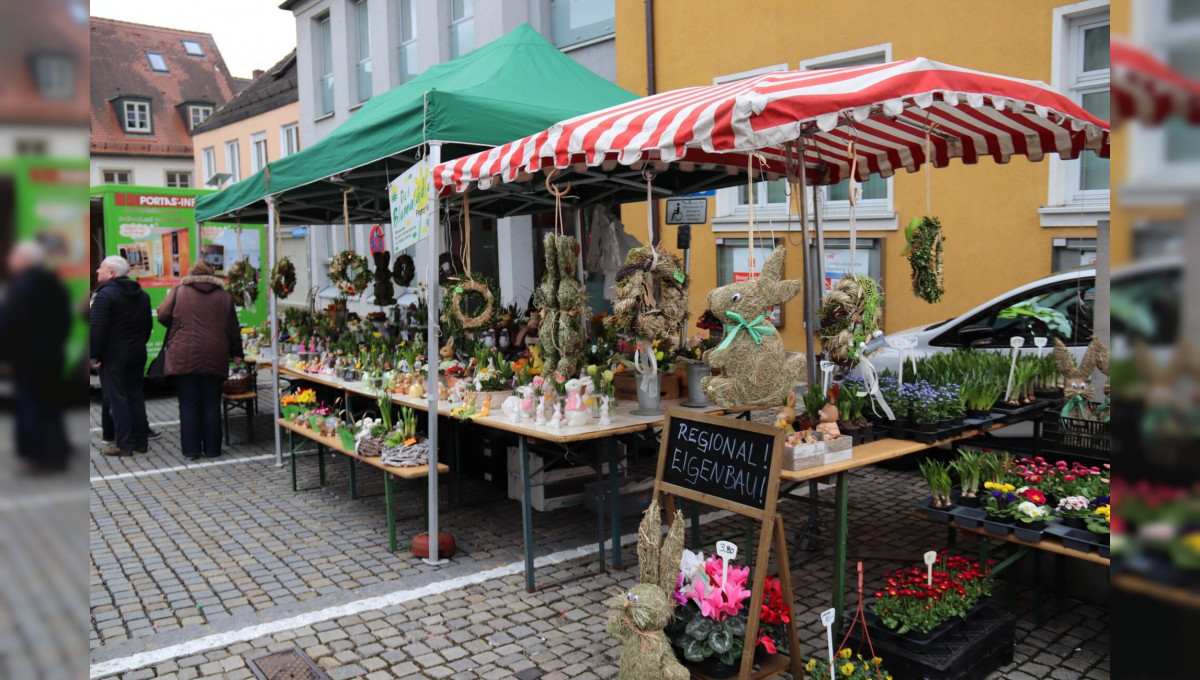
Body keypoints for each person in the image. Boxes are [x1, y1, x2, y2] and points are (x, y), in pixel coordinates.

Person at [158, 260, 243, 460]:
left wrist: (178, 324)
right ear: (213, 274)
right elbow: (233, 328)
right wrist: (237, 353)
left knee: (188, 404)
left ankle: (191, 450)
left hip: (183, 354)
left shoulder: (179, 292)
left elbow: (162, 315)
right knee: (212, 403)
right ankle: (213, 449)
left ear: (191, 273)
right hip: (215, 353)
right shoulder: (224, 296)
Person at [0, 242, 72, 472]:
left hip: (27, 358)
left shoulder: (20, 286)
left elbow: (9, 323)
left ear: (23, 260)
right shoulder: (54, 283)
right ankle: (57, 453)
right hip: (52, 355)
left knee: (32, 407)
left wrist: (7, 356)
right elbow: (65, 320)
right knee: (51, 406)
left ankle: (40, 459)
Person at [90, 255, 152, 457]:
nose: (97, 271)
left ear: (112, 273)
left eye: (101, 268)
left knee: (118, 398)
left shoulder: (105, 296)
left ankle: (123, 444)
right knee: (135, 396)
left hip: (114, 355)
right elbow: (147, 326)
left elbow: (96, 329)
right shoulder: (142, 295)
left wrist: (93, 356)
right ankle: (141, 441)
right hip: (137, 352)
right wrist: (137, 344)